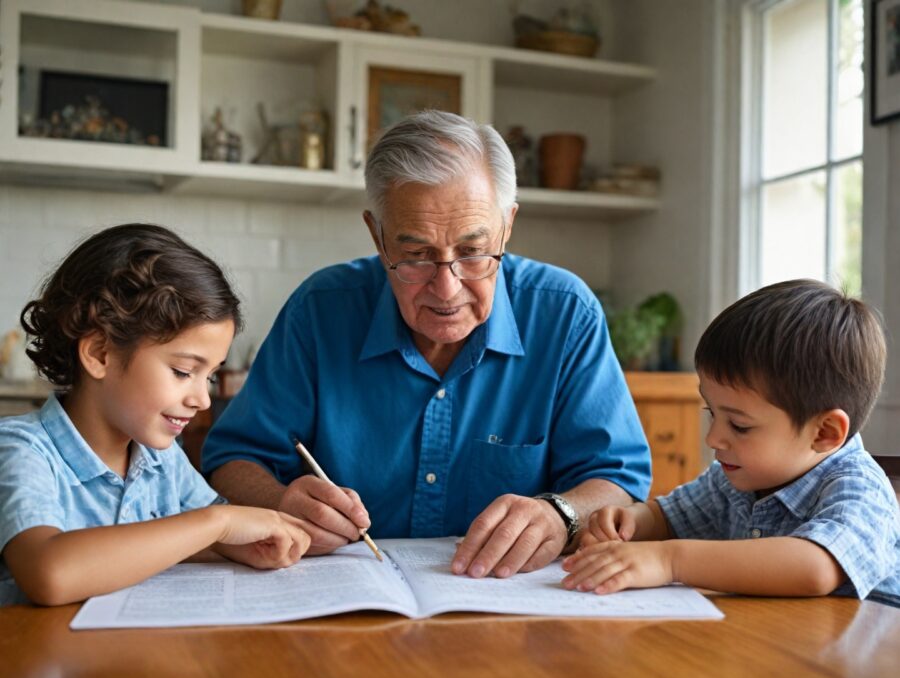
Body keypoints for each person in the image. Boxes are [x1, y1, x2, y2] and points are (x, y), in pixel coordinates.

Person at [203, 110, 651, 578]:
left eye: (474, 252)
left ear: (507, 225)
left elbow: (617, 478)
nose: (447, 288)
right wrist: (280, 503)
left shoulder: (565, 312)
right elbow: (234, 459)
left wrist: (563, 513)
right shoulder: (320, 310)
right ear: (377, 235)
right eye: (416, 257)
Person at [0, 224, 310, 607]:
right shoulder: (21, 450)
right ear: (100, 354)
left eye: (209, 376)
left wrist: (239, 546)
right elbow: (50, 573)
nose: (202, 400)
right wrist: (220, 525)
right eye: (183, 371)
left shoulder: (161, 459)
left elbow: (190, 541)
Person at [562, 279, 900, 604]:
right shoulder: (733, 479)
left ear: (824, 432)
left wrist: (669, 559)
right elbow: (667, 517)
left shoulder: (860, 490)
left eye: (739, 425)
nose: (713, 438)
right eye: (712, 413)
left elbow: (816, 567)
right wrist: (631, 522)